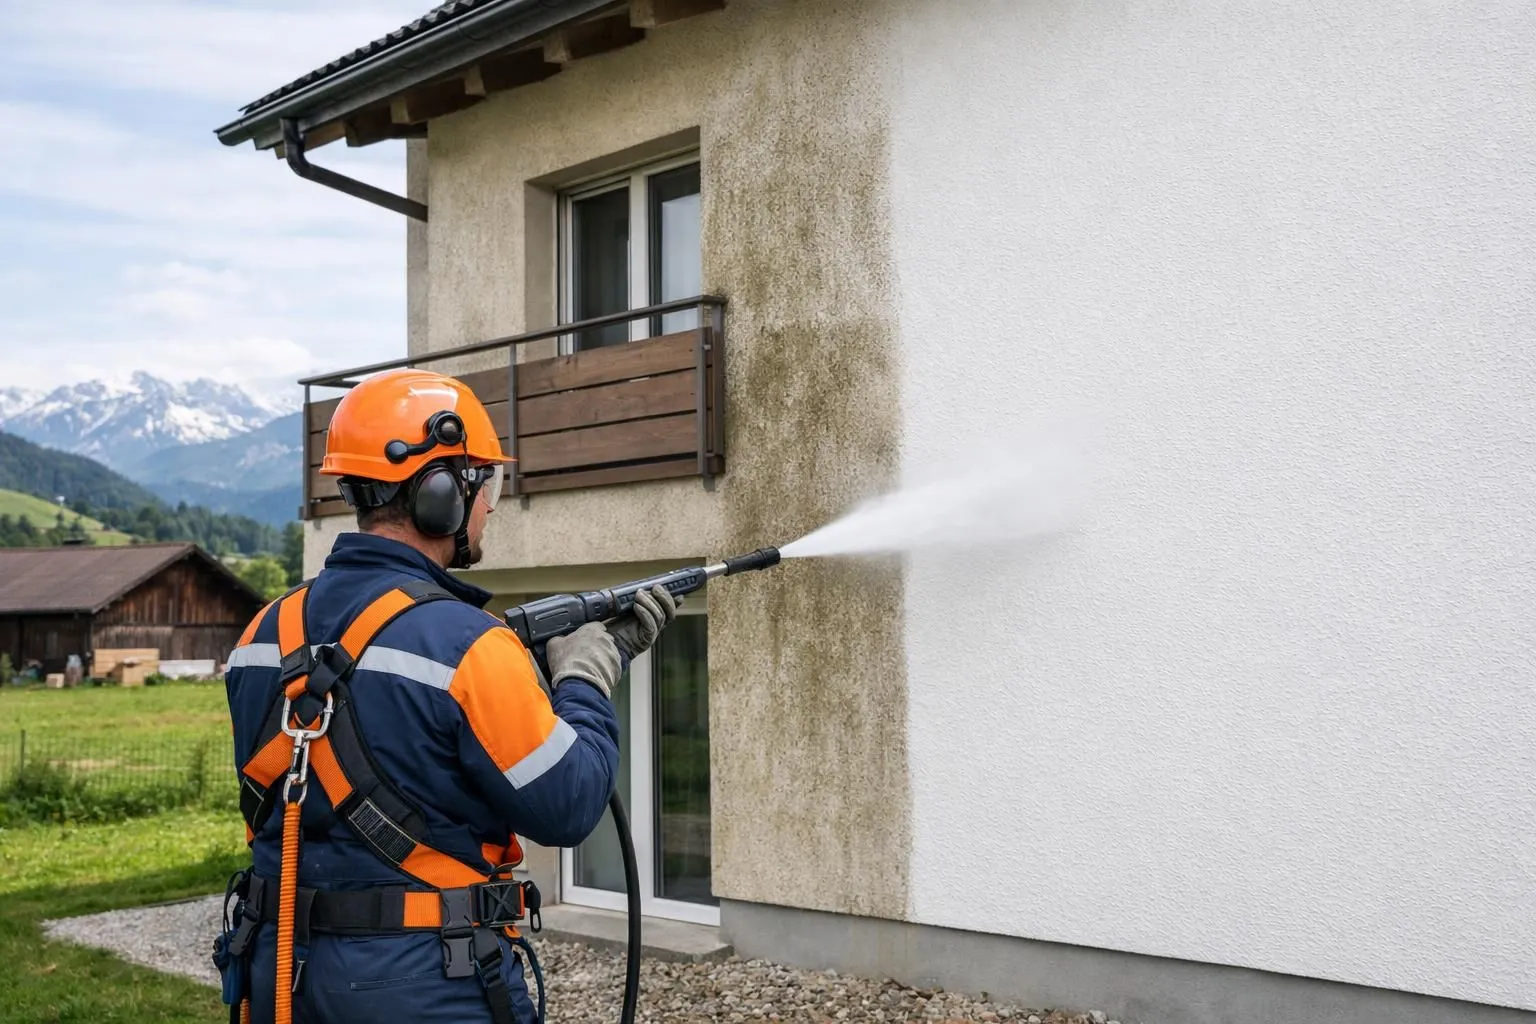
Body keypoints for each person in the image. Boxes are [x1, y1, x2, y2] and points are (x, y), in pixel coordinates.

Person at [216, 368, 679, 1024]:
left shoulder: (262, 633)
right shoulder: (470, 646)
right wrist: (585, 679)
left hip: (280, 974)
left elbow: (378, 732)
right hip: (427, 986)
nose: (490, 504)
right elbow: (569, 803)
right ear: (442, 493)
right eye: (483, 483)